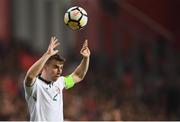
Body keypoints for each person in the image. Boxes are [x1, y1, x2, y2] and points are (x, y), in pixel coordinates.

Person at [23, 36, 90, 121]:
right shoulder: (35, 86)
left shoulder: (60, 82)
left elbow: (78, 75)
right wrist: (47, 55)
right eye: (55, 67)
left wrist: (86, 58)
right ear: (45, 66)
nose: (59, 71)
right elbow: (29, 76)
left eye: (61, 68)